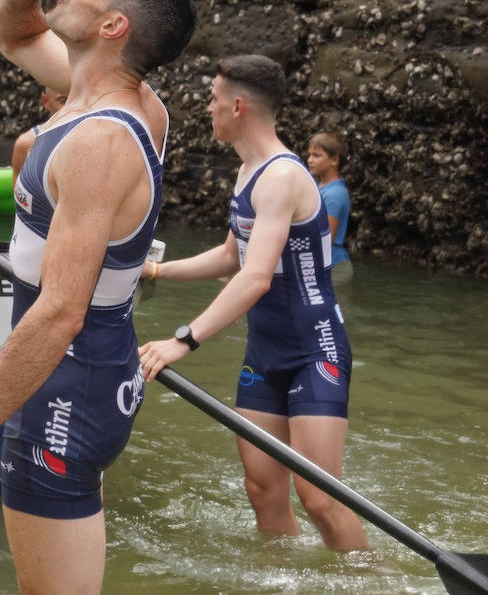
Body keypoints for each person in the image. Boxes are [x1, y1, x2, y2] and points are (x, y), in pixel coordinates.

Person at [0, 0, 196, 594]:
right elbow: (15, 35)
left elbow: (61, 311)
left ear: (113, 27)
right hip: (83, 374)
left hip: (68, 390)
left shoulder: (100, 142)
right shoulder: (97, 91)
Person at [138, 55, 368, 552]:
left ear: (238, 105)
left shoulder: (281, 177)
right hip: (265, 352)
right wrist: (156, 270)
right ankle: (285, 580)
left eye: (214, 99)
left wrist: (185, 339)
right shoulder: (248, 171)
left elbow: (256, 277)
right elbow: (229, 256)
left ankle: (376, 583)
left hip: (315, 350)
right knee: (263, 489)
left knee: (320, 499)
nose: (209, 108)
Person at [307, 131, 353, 286]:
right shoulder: (321, 187)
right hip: (326, 264)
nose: (309, 160)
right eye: (310, 154)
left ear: (334, 160)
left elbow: (325, 240)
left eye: (316, 155)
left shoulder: (334, 194)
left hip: (334, 268)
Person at [10, 86, 67, 183]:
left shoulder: (95, 136)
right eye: (63, 101)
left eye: (76, 99)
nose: (73, 106)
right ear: (45, 101)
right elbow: (19, 194)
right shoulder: (26, 144)